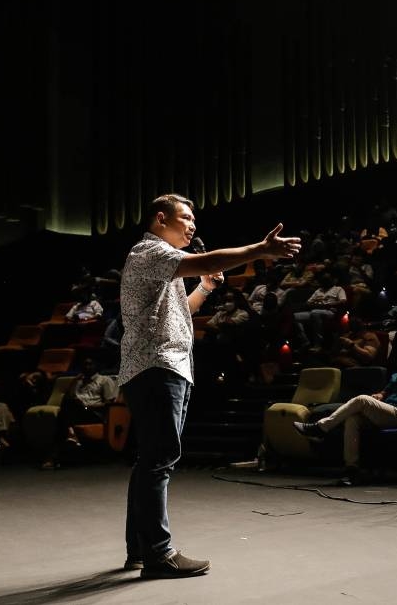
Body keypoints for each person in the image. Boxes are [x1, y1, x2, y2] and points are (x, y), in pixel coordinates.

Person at [119, 193, 300, 578]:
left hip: (165, 366)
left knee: (151, 459)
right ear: (160, 218)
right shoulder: (149, 252)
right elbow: (209, 258)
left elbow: (184, 311)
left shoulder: (159, 266)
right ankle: (158, 554)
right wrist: (259, 249)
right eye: (185, 217)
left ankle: (139, 548)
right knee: (159, 460)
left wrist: (204, 288)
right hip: (157, 366)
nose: (192, 225)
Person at [293, 343, 397, 485]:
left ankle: (321, 427)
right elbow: (385, 392)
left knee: (362, 399)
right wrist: (379, 395)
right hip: (386, 410)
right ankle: (352, 469)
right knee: (353, 419)